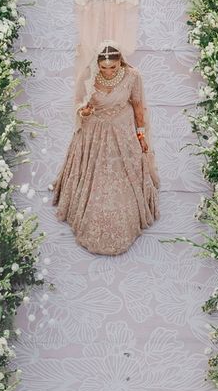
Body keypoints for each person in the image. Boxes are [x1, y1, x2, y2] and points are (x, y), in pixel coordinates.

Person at [53, 39, 160, 256]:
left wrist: (140, 135)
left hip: (122, 129)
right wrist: (84, 112)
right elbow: (79, 105)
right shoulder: (89, 75)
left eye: (114, 67)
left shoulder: (133, 76)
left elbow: (138, 107)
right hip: (95, 131)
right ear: (97, 64)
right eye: (104, 68)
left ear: (121, 61)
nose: (109, 72)